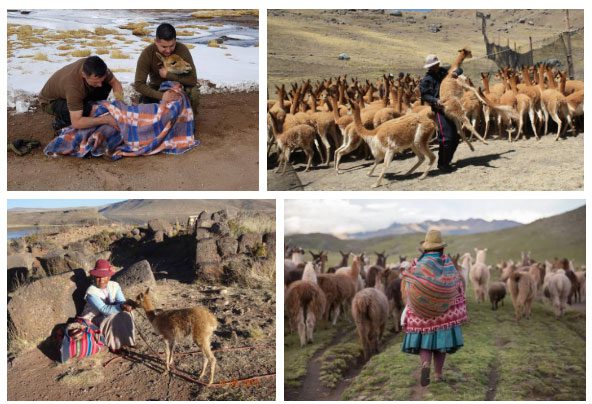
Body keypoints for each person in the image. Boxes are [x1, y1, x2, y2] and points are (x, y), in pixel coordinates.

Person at [400, 229, 468, 386]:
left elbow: (409, 285)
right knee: (440, 345)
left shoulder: (417, 265)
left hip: (421, 313)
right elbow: (457, 285)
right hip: (443, 313)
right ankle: (438, 374)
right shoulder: (448, 264)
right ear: (441, 248)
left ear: (426, 248)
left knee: (425, 341)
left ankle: (425, 365)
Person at [38, 56, 123, 133]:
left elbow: (115, 82)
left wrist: (119, 103)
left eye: (101, 80)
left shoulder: (96, 66)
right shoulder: (73, 86)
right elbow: (76, 122)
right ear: (83, 75)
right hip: (51, 101)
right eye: (95, 82)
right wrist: (105, 120)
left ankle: (93, 109)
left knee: (106, 84)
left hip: (73, 94)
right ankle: (61, 122)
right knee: (85, 111)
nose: (99, 85)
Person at [133, 23, 200, 117]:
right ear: (156, 42)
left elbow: (193, 80)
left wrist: (168, 75)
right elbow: (139, 85)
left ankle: (187, 120)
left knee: (194, 92)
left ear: (175, 41)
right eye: (164, 47)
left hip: (180, 87)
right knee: (144, 111)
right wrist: (162, 96)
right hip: (157, 88)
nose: (168, 50)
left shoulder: (182, 50)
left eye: (171, 46)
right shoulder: (147, 53)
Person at [419, 55, 463, 173]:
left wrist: (455, 73)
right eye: (433, 65)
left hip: (451, 107)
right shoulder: (427, 79)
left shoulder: (444, 71)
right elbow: (424, 95)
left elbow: (459, 69)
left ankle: (446, 162)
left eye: (436, 64)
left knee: (456, 138)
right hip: (440, 110)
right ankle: (442, 164)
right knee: (446, 138)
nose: (435, 66)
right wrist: (435, 101)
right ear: (430, 66)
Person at [79, 259, 135, 352]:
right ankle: (115, 346)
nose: (101, 280)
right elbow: (104, 309)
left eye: (104, 276)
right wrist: (121, 307)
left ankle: (128, 341)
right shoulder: (91, 291)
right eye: (98, 277)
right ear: (94, 277)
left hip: (109, 312)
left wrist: (125, 305)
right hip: (93, 318)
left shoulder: (114, 286)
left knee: (128, 314)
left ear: (109, 277)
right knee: (112, 318)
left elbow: (121, 300)